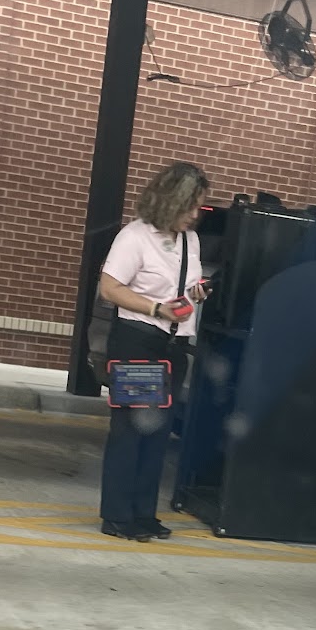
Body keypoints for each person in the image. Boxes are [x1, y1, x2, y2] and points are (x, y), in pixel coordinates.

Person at [96, 161, 212, 542]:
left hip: (172, 347)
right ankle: (117, 516)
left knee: (157, 434)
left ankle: (143, 513)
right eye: (190, 205)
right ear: (169, 200)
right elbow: (110, 287)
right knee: (131, 431)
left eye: (198, 206)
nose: (195, 214)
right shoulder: (135, 237)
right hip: (139, 343)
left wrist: (195, 293)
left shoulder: (190, 241)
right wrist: (156, 308)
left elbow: (179, 289)